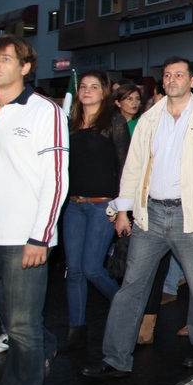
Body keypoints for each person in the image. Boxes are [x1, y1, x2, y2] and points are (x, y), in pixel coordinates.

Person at [82, 57, 193, 380]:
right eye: (167, 75)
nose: (172, 79)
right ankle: (115, 358)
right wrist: (123, 210)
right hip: (150, 214)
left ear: (192, 81)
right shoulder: (149, 119)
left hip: (191, 213)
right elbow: (134, 167)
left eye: (179, 75)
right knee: (131, 286)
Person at [0, 36, 68, 385]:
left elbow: (55, 179)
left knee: (23, 326)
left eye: (5, 59)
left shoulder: (43, 111)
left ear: (26, 66)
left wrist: (40, 236)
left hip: (22, 238)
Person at [63, 71, 129, 352]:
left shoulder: (113, 122)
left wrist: (122, 209)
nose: (87, 91)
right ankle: (76, 331)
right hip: (73, 206)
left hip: (104, 206)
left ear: (104, 92)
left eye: (93, 87)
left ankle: (126, 309)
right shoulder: (69, 123)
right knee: (74, 271)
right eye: (83, 87)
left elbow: (126, 167)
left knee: (92, 268)